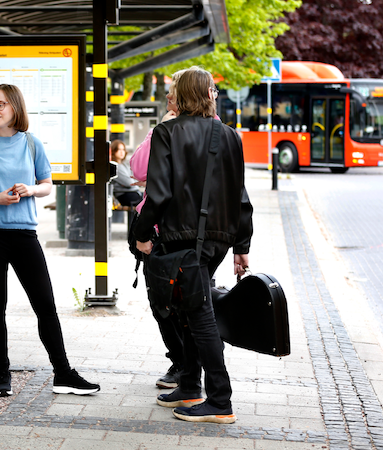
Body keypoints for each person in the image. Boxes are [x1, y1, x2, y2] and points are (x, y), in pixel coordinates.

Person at [0, 84, 100, 397]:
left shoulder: (31, 143)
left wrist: (31, 189)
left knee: (45, 306)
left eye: (1, 105)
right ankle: (2, 375)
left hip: (25, 235)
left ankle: (63, 373)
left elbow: (46, 185)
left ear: (15, 108)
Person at [133, 67, 254, 424]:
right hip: (218, 239)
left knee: (198, 316)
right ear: (208, 94)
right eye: (214, 89)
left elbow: (158, 193)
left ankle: (220, 399)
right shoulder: (230, 136)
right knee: (187, 310)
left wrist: (141, 234)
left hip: (181, 238)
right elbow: (240, 196)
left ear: (180, 95)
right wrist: (241, 245)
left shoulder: (167, 132)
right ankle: (189, 386)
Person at [129, 71, 186, 390]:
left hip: (170, 229)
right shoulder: (167, 128)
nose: (167, 98)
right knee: (164, 301)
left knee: (176, 302)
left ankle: (185, 364)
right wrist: (159, 130)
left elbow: (146, 176)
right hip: (157, 226)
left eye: (173, 93)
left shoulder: (203, 131)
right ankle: (182, 362)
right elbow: (138, 168)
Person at [109, 139, 141, 228]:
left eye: (123, 149)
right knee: (150, 200)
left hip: (132, 193)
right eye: (119, 150)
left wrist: (133, 182)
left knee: (150, 197)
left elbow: (134, 178)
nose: (122, 152)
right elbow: (129, 182)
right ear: (114, 151)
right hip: (125, 195)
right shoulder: (115, 166)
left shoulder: (124, 165)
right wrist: (135, 183)